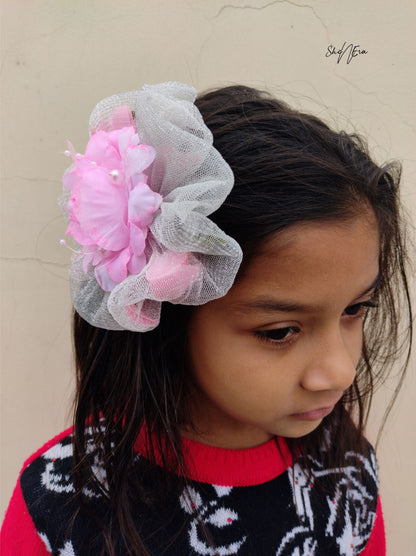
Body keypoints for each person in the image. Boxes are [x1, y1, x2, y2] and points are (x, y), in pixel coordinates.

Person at [1, 82, 412, 556]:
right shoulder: (61, 504)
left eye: (355, 309)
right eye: (280, 332)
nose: (340, 371)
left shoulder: (347, 476)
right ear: (171, 305)